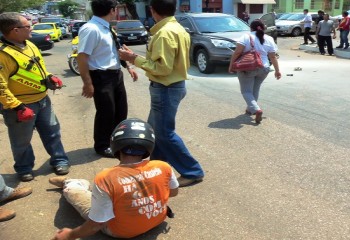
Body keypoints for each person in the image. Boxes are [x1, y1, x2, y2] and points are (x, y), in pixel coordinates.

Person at [118, 0, 204, 187]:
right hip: (171, 86)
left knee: (164, 133)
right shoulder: (177, 28)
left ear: (152, 10)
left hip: (166, 87)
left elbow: (163, 69)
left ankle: (192, 171)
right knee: (155, 131)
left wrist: (133, 59)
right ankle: (156, 167)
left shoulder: (164, 34)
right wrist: (136, 57)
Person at [50, 118, 179, 240]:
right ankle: (86, 187)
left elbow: (97, 224)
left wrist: (69, 235)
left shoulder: (106, 178)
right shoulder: (163, 166)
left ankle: (71, 183)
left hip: (120, 232)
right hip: (157, 220)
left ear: (115, 144)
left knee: (75, 193)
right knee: (108, 194)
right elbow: (173, 192)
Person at [0, 12, 70, 182]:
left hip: (43, 101)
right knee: (21, 140)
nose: (31, 28)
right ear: (15, 30)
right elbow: (1, 87)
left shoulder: (29, 44)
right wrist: (18, 107)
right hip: (20, 106)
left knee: (53, 132)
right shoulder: (3, 54)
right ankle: (24, 168)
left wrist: (49, 76)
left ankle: (59, 160)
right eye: (28, 26)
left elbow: (38, 67)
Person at [77, 0, 138, 158]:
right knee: (106, 112)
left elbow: (114, 49)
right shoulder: (91, 29)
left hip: (115, 74)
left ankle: (117, 140)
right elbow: (82, 57)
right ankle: (102, 145)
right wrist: (87, 83)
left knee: (120, 110)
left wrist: (128, 67)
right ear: (112, 10)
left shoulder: (106, 27)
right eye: (116, 9)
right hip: (101, 76)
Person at [228, 19, 281, 124]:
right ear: (263, 28)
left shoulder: (246, 36)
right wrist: (277, 71)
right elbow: (273, 57)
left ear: (251, 28)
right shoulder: (269, 39)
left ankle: (256, 109)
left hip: (248, 68)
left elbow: (237, 52)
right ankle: (250, 109)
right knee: (254, 90)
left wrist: (231, 65)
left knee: (246, 91)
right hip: (264, 68)